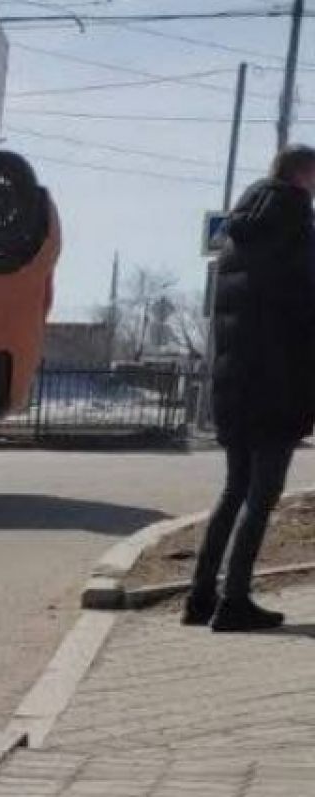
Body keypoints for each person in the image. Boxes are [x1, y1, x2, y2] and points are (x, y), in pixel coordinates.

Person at [184, 144, 315, 632]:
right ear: (305, 176)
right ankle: (234, 600)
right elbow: (303, 311)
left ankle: (200, 597)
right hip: (276, 385)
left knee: (235, 487)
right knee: (262, 496)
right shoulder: (294, 223)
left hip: (235, 384)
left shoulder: (240, 230)